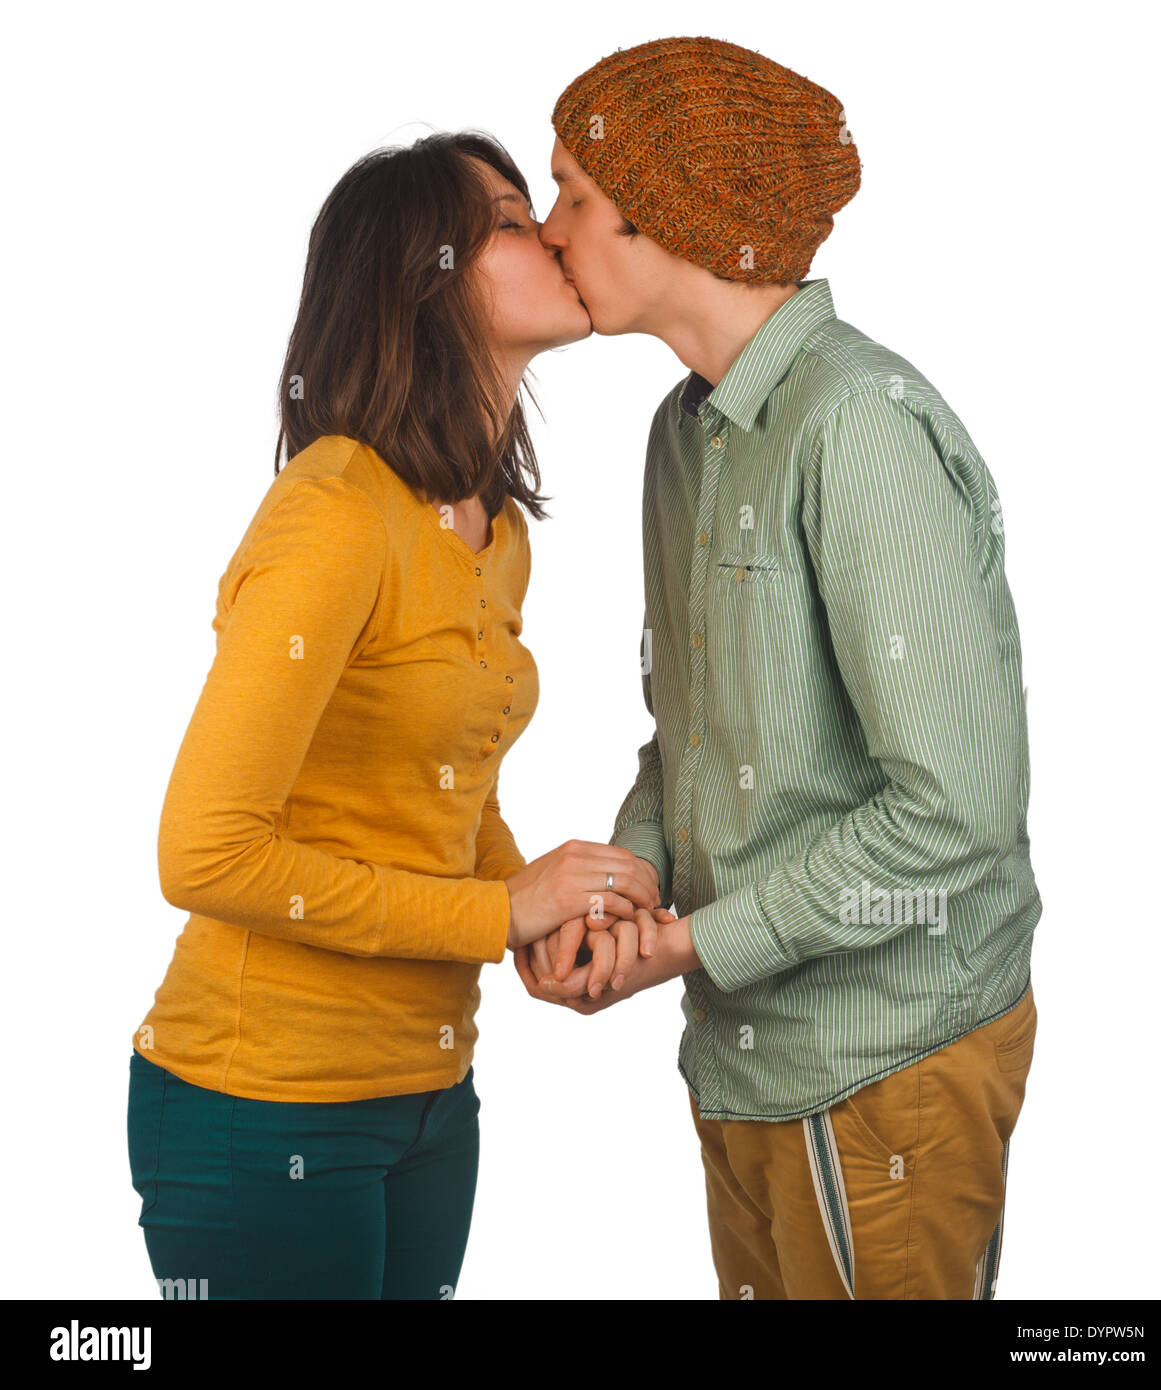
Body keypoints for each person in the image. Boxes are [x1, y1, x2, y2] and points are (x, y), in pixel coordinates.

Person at [515, 35, 1041, 1301]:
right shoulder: (684, 429)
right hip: (744, 1059)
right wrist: (627, 883)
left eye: (574, 194)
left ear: (670, 220)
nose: (545, 229)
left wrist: (691, 943)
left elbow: (956, 813)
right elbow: (688, 734)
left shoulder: (856, 426)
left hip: (883, 1065)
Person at [126, 129, 673, 1300]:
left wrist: (529, 913)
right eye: (516, 222)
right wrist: (497, 908)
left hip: (428, 1096)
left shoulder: (492, 527)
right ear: (426, 279)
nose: (560, 235)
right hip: (257, 1104)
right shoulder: (335, 512)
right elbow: (204, 850)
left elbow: (447, 788)